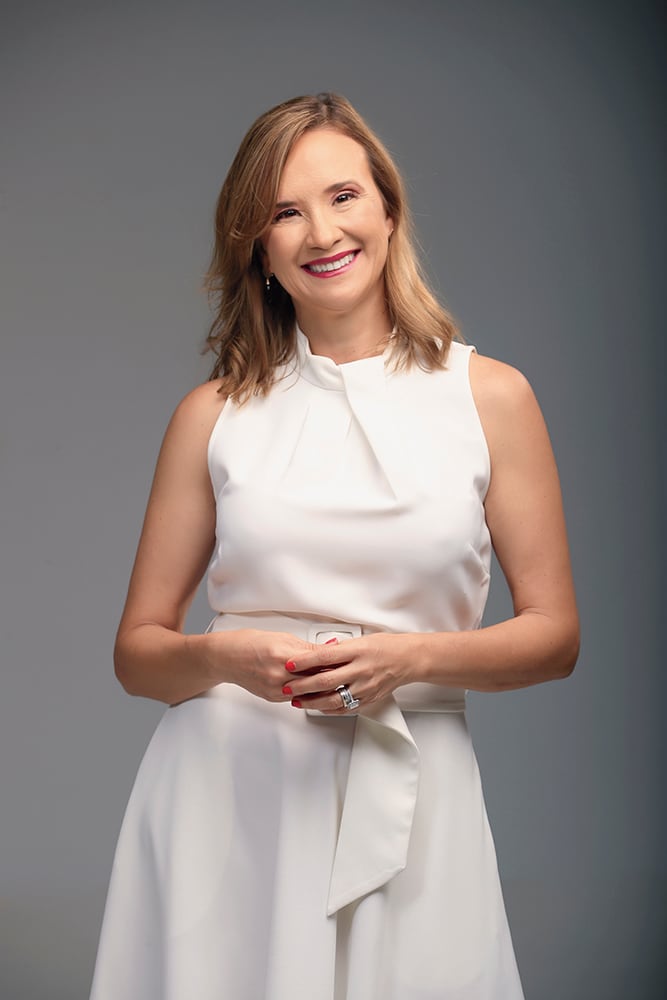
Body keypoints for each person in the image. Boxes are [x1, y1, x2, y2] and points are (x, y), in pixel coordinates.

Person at [89, 92, 579, 1000]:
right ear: (258, 249)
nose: (321, 232)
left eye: (343, 196)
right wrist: (224, 659)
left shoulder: (492, 397)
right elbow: (136, 655)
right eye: (285, 212)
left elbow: (554, 637)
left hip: (416, 789)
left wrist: (411, 658)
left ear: (388, 211)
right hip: (227, 799)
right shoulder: (212, 415)